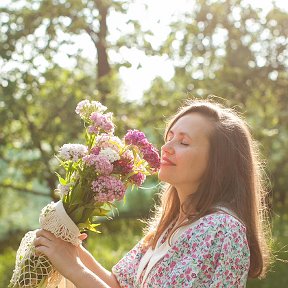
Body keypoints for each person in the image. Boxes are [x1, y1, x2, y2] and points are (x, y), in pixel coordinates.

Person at [34, 99, 272, 287]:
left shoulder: (221, 229)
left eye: (184, 142)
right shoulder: (171, 226)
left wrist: (73, 267)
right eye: (169, 138)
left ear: (218, 163)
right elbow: (118, 284)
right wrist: (72, 248)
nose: (166, 148)